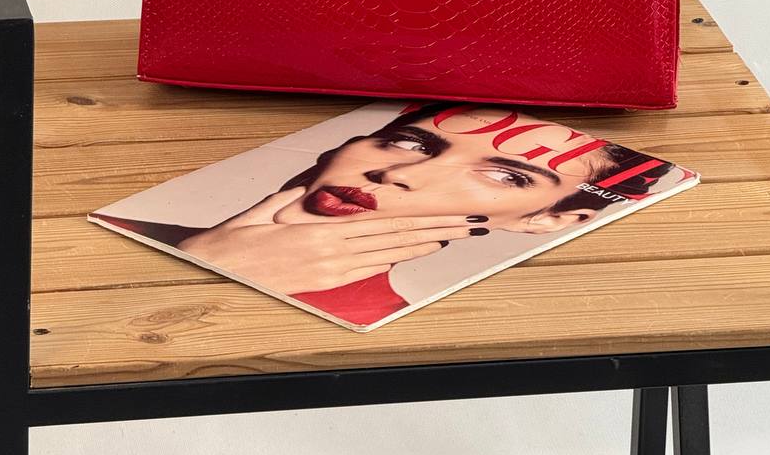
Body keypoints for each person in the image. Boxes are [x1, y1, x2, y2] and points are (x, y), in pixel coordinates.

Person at [96, 101, 674, 326]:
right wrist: (203, 260)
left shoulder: (419, 335)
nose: (399, 174)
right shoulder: (116, 236)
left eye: (507, 176)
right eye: (408, 142)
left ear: (549, 218)